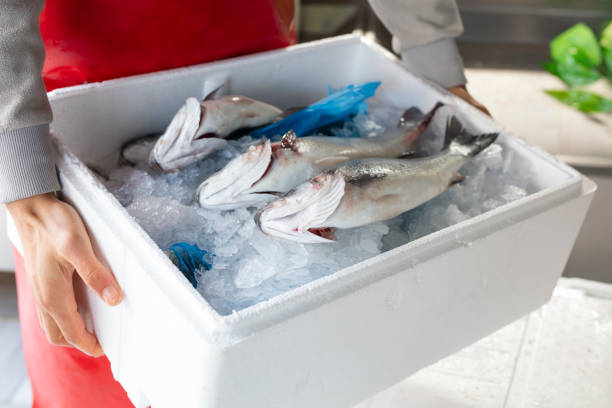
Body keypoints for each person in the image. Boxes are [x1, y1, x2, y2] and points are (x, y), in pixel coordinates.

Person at [0, 0, 489, 406]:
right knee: (99, 343)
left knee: (274, 376)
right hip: (69, 93)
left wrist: (434, 61)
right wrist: (24, 178)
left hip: (255, 55)